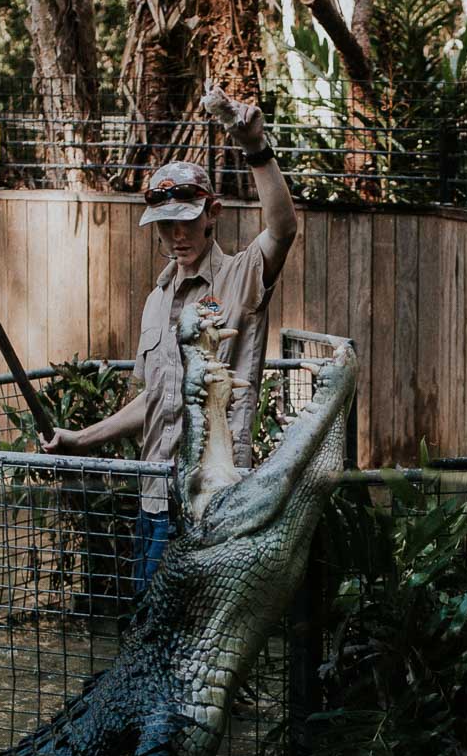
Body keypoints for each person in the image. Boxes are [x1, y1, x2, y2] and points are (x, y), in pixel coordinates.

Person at [43, 83, 300, 591]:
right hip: (154, 498)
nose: (176, 235)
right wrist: (82, 438)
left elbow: (284, 227)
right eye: (164, 225)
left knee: (195, 641)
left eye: (186, 221)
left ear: (212, 215)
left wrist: (255, 147)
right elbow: (154, 401)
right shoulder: (157, 300)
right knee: (149, 626)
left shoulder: (241, 279)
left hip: (210, 500)